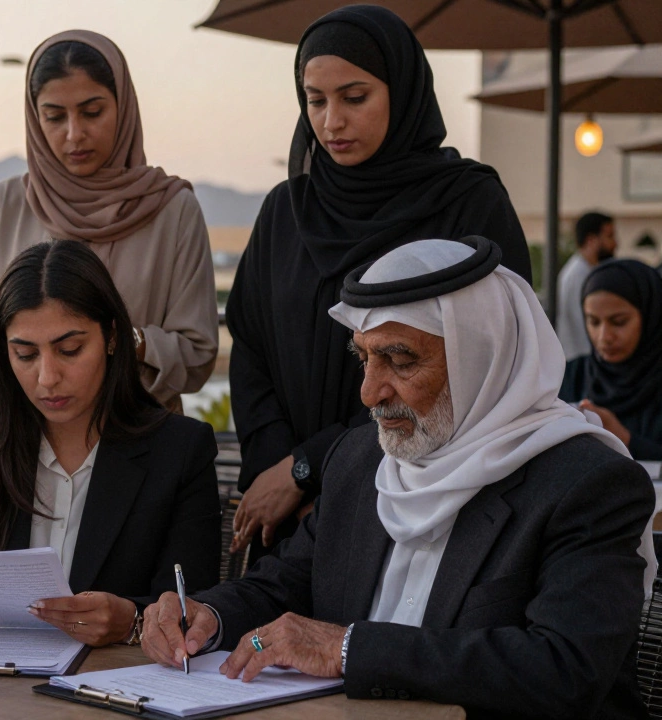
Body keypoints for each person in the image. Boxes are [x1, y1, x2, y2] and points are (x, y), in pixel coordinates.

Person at [144, 237, 654, 719]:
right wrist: (207, 616)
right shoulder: (360, 461)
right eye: (364, 358)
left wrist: (347, 650)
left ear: (481, 358)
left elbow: (563, 669)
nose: (369, 393)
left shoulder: (588, 483)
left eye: (399, 360)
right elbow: (285, 586)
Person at [225, 6, 532, 564]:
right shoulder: (285, 213)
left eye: (354, 97)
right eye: (315, 100)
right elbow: (250, 350)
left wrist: (312, 469)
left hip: (421, 508)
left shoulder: (468, 206)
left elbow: (483, 369)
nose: (331, 122)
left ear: (403, 90)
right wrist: (278, 470)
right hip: (286, 525)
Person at [0, 240, 220, 647]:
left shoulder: (180, 450)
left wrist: (131, 622)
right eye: (25, 354)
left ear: (112, 338)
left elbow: (195, 606)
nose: (47, 378)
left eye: (70, 350)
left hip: (112, 689)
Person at [0, 30, 217, 413]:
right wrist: (16, 351)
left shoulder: (172, 210)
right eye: (54, 117)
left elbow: (197, 352)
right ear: (35, 120)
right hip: (24, 440)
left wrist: (120, 341)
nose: (74, 134)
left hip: (137, 440)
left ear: (124, 108)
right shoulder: (2, 206)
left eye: (92, 112)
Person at [561, 258, 662, 460]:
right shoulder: (570, 376)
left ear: (651, 315)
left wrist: (624, 439)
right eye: (594, 321)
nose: (604, 337)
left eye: (619, 322)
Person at [557, 211, 617, 360]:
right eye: (609, 236)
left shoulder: (587, 272)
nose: (615, 243)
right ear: (591, 240)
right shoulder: (578, 276)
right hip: (580, 361)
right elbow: (585, 329)